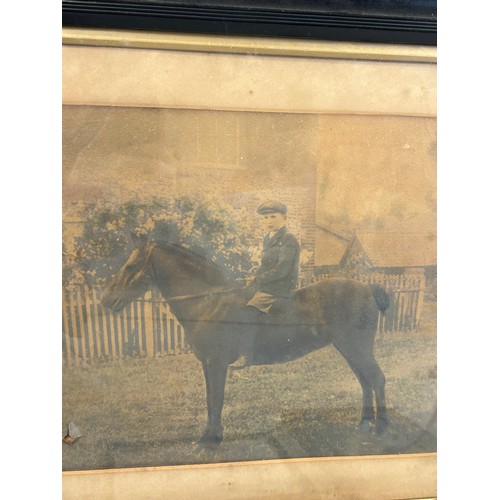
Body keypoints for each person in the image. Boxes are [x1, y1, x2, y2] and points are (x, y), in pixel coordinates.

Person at [231, 200, 301, 368]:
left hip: (280, 286)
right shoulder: (268, 238)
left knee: (249, 311)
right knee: (237, 299)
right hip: (267, 283)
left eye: (273, 217)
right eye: (265, 218)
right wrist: (254, 277)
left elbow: (282, 269)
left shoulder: (288, 239)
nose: (269, 221)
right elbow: (266, 265)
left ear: (284, 218)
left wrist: (259, 280)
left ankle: (248, 355)